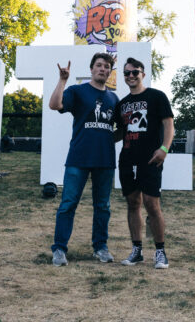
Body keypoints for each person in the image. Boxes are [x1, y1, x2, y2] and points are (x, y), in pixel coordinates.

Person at [48, 52, 119, 266]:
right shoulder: (77, 91)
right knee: (68, 204)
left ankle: (100, 247)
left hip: (105, 161)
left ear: (109, 72)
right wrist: (62, 80)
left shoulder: (114, 98)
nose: (103, 69)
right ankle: (59, 249)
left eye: (107, 66)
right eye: (99, 65)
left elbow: (120, 130)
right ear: (91, 69)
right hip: (78, 159)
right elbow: (54, 105)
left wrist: (105, 140)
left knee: (103, 206)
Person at [113, 57, 174, 269]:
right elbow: (120, 132)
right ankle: (137, 250)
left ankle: (160, 251)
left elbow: (169, 125)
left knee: (151, 203)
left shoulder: (157, 96)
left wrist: (164, 149)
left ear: (143, 74)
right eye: (127, 73)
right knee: (133, 203)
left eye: (135, 72)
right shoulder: (122, 104)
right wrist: (96, 134)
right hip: (128, 158)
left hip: (151, 158)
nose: (131, 76)